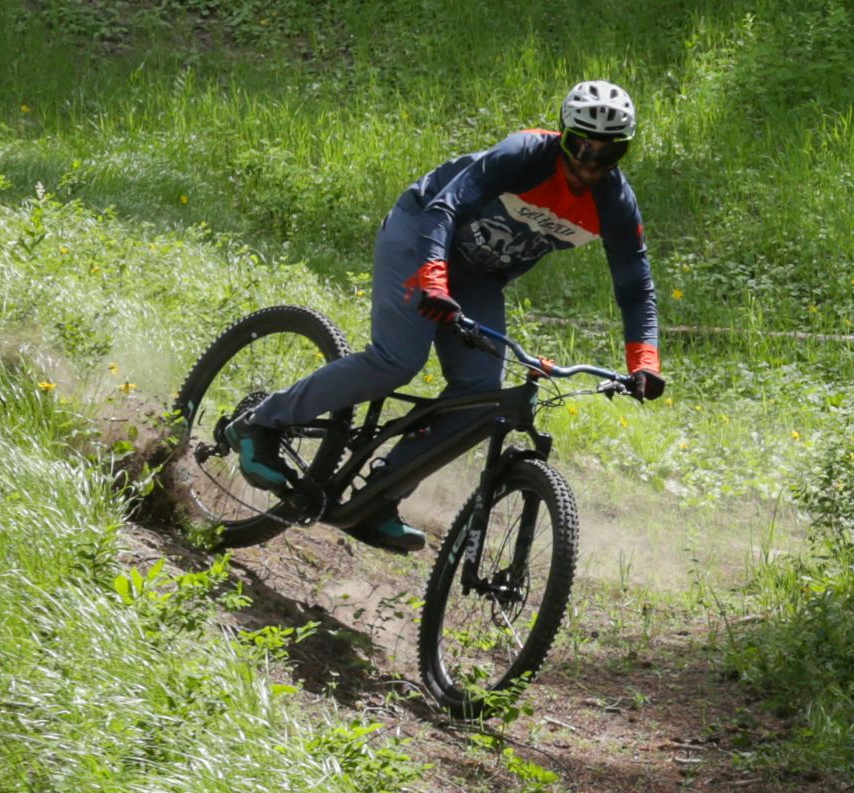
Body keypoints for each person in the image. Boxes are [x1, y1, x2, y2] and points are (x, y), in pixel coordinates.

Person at [232, 80, 666, 552]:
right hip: (419, 234)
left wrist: (644, 363)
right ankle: (262, 423)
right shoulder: (524, 155)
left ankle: (380, 497)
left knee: (480, 397)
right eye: (579, 144)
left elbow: (635, 287)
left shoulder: (615, 205)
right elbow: (445, 207)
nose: (588, 162)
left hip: (479, 276)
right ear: (562, 134)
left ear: (624, 151)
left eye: (607, 153)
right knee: (398, 359)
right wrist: (434, 281)